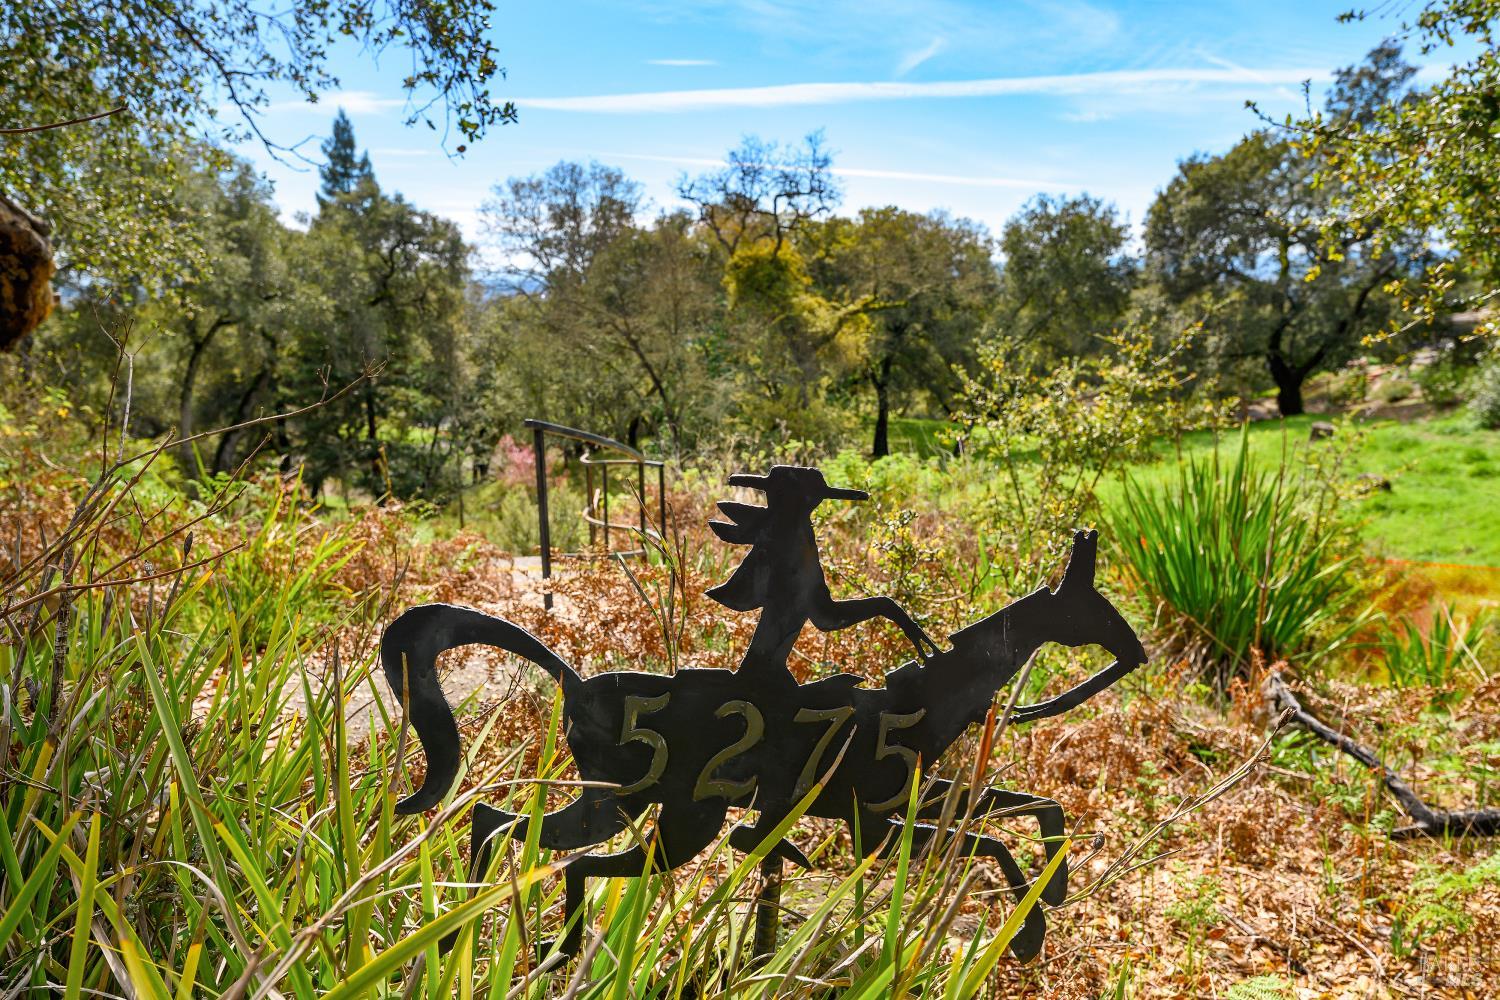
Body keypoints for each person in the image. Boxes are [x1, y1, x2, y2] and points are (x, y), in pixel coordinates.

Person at [707, 465, 941, 685]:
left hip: (772, 666)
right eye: (813, 498)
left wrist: (886, 608)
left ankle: (929, 652)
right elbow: (823, 614)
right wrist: (884, 607)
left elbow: (820, 610)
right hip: (766, 670)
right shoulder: (792, 540)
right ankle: (931, 653)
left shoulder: (791, 534)